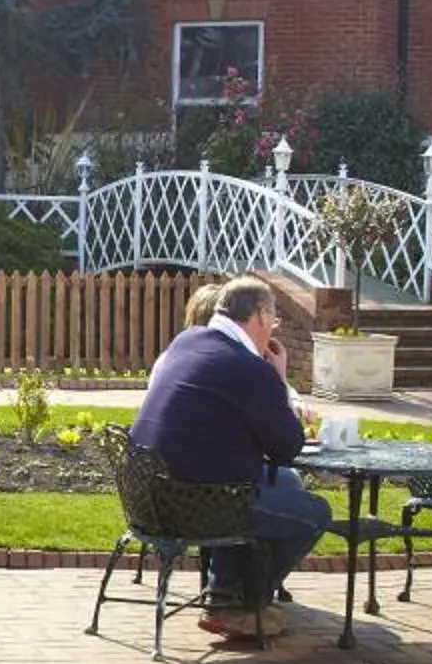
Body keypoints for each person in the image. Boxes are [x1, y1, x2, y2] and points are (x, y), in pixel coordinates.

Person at [132, 274, 337, 643]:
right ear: (259, 316)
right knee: (314, 512)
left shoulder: (188, 341)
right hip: (194, 504)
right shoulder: (248, 368)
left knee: (280, 484)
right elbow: (287, 447)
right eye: (273, 319)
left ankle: (224, 591)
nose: (273, 327)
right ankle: (245, 606)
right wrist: (277, 378)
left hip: (149, 495)